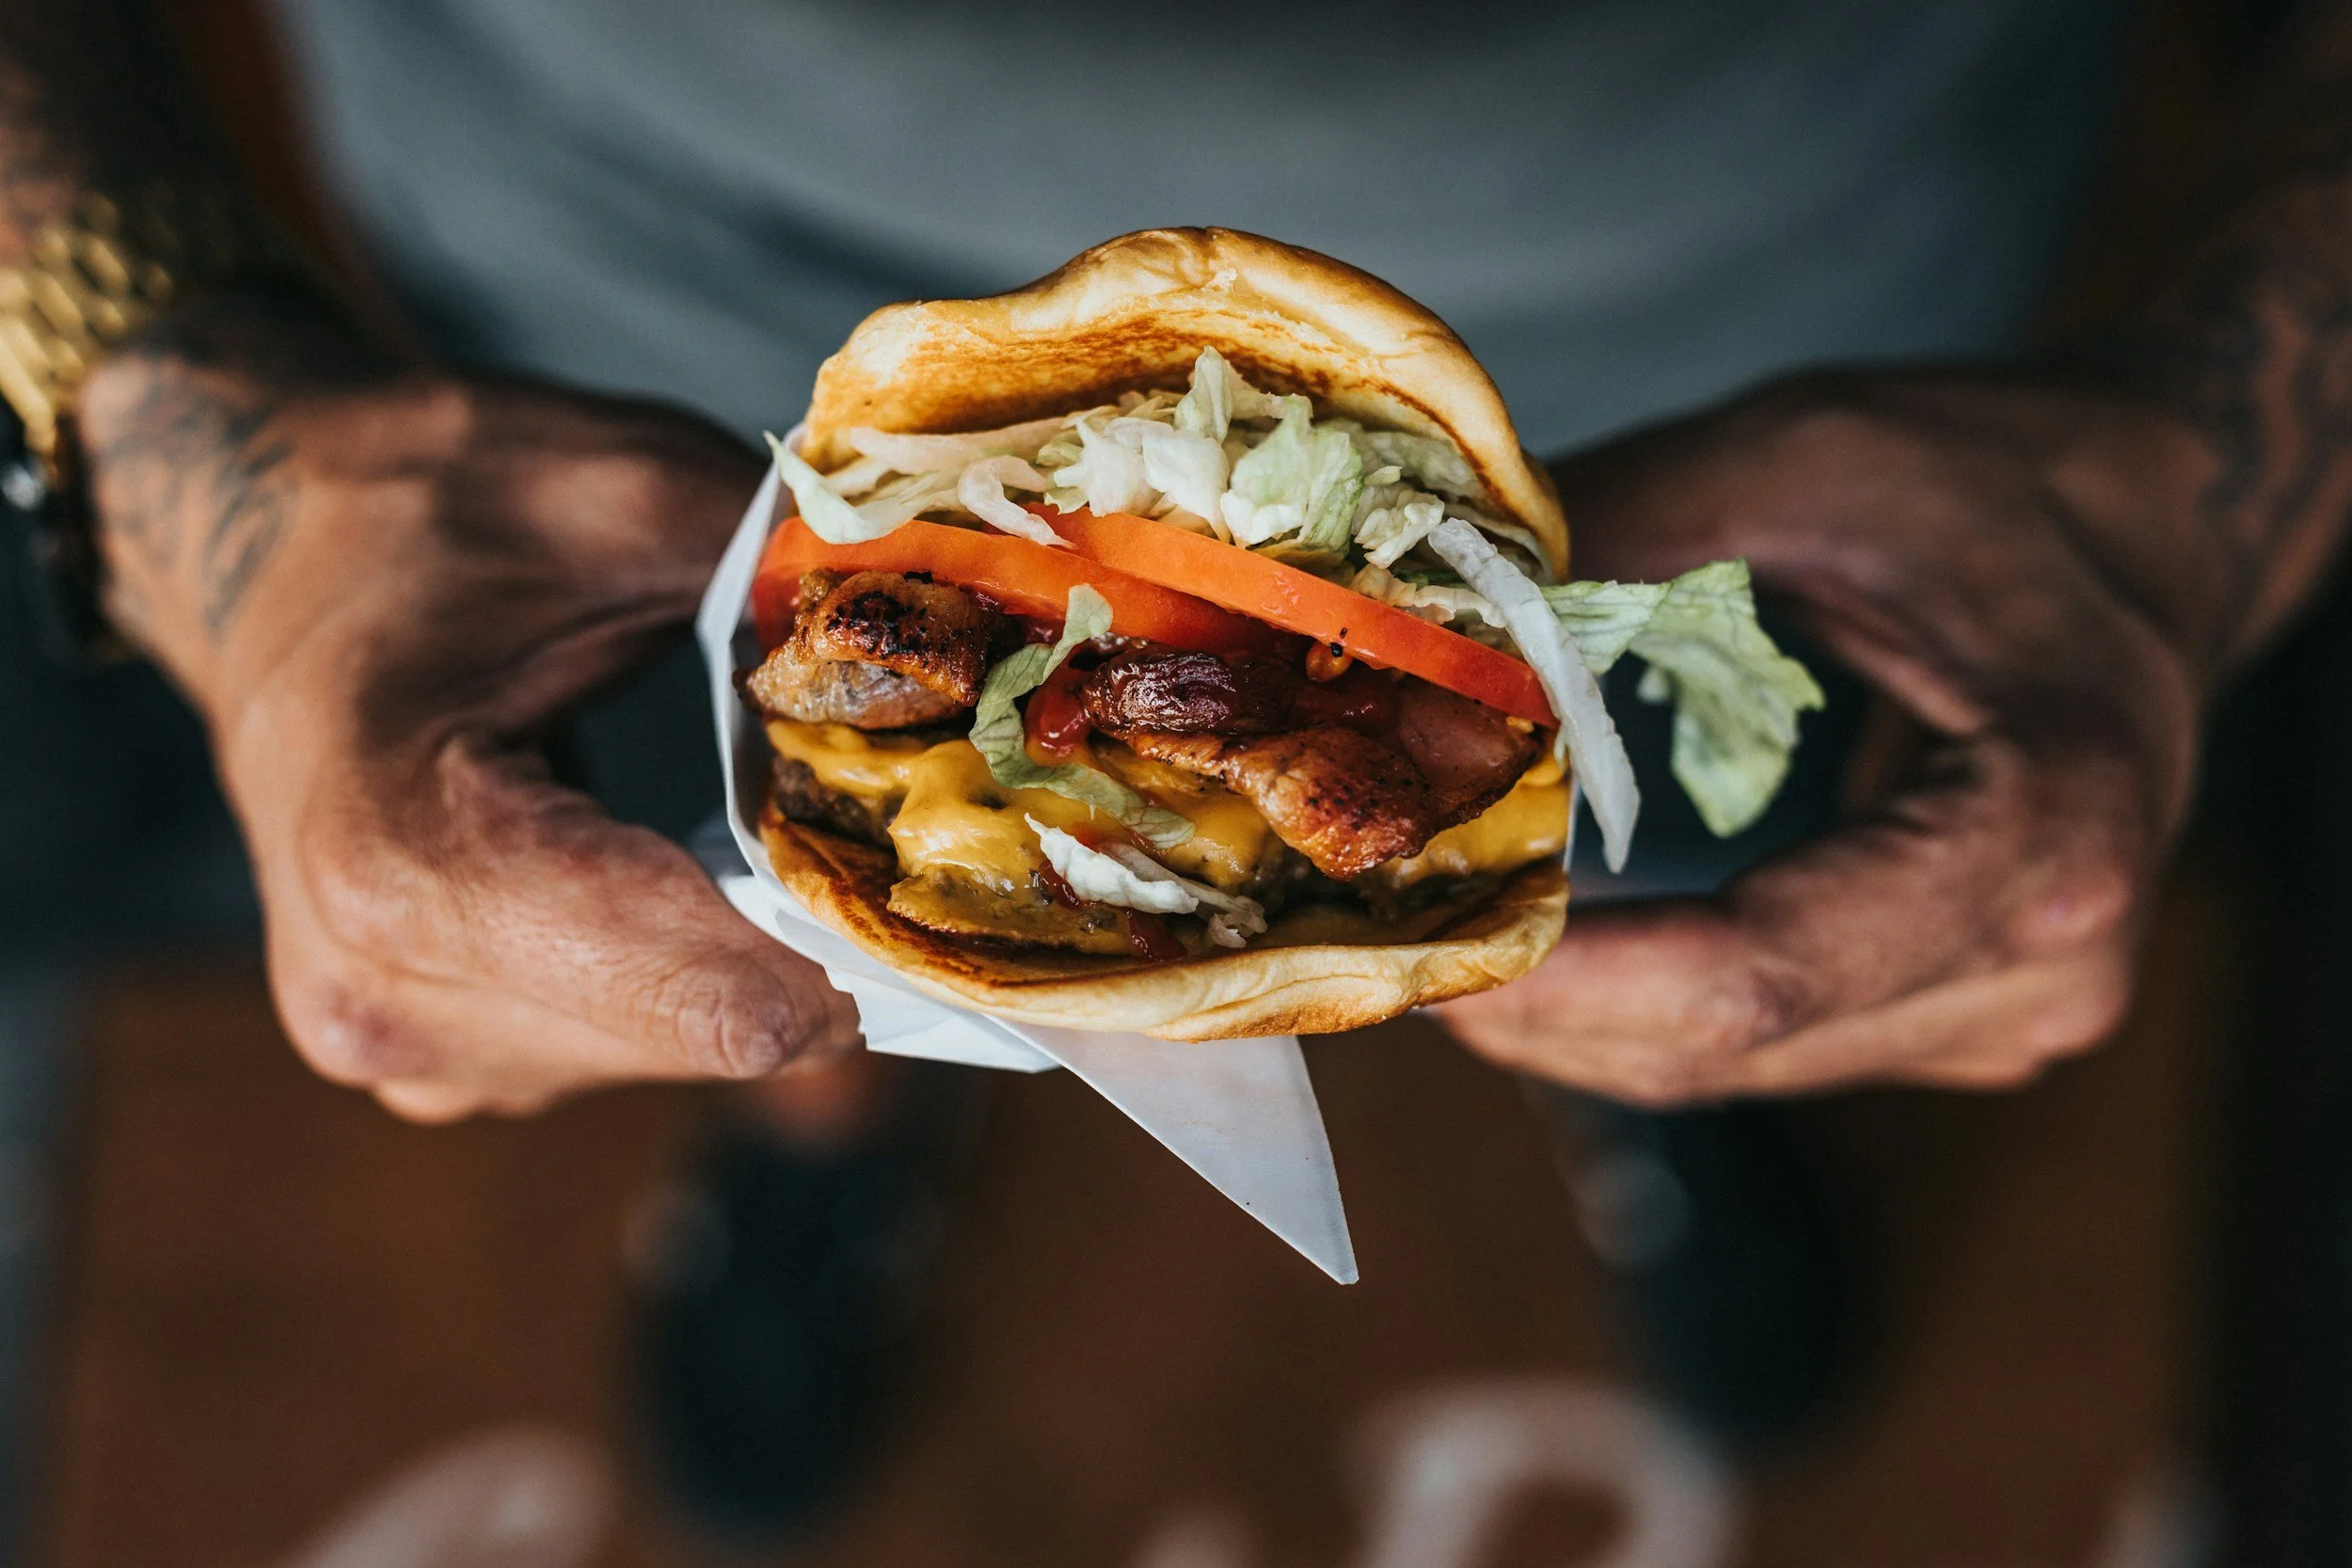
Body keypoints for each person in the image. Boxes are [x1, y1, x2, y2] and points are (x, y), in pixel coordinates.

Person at [0, 0, 2341, 1546]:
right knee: (724, 860)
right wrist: (149, 378)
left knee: (1683, 835)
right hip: (616, 269)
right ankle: (815, 1111)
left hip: (1810, 273)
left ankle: (1655, 1083)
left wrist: (2208, 456)